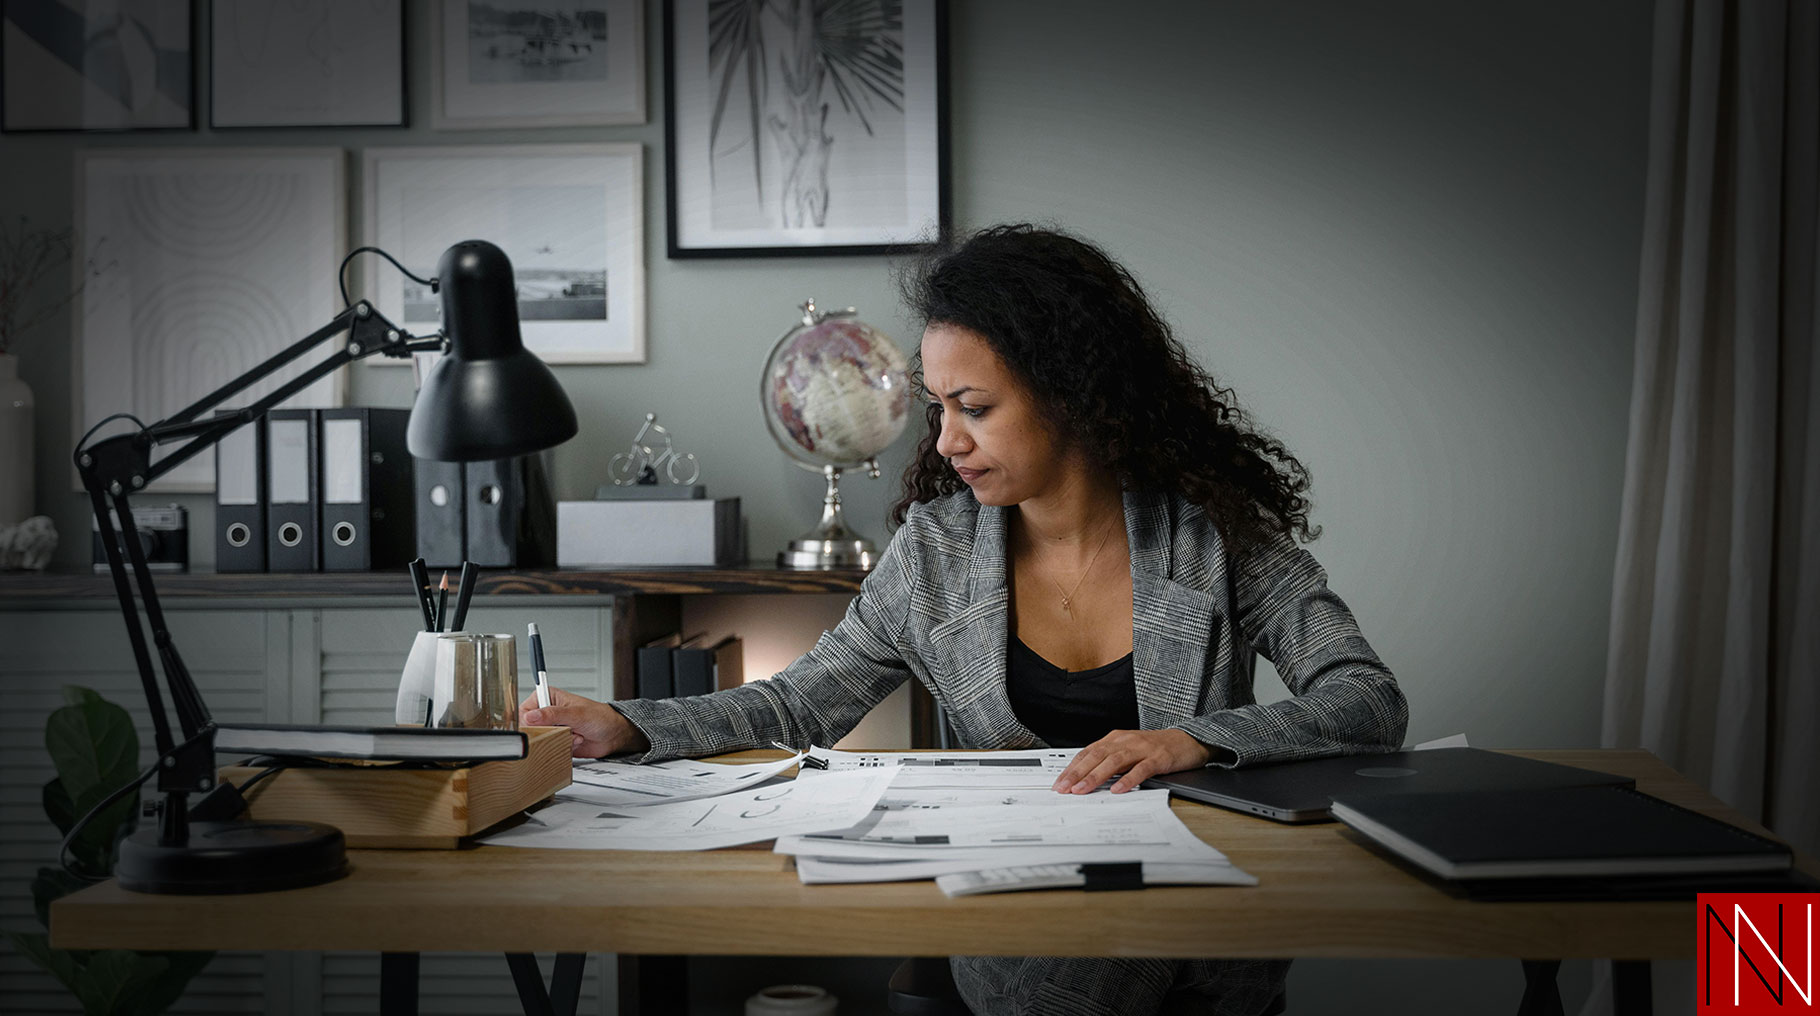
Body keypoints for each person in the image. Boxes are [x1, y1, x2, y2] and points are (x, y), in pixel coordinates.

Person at [521, 224, 1408, 1016]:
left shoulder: (1213, 536)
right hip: (1019, 926)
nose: (946, 441)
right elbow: (798, 706)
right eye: (939, 407)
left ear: (1073, 393)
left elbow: (1365, 698)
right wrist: (626, 723)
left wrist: (1198, 741)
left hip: (1194, 934)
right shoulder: (935, 555)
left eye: (974, 408)